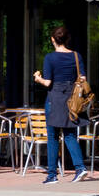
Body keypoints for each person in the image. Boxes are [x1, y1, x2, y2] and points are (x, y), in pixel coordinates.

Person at [32, 26, 87, 184]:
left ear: (52, 40)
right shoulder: (76, 56)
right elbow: (82, 78)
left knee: (52, 137)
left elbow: (48, 82)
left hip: (55, 99)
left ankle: (51, 175)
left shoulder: (50, 58)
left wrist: (38, 78)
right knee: (70, 134)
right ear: (67, 39)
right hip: (71, 100)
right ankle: (80, 167)